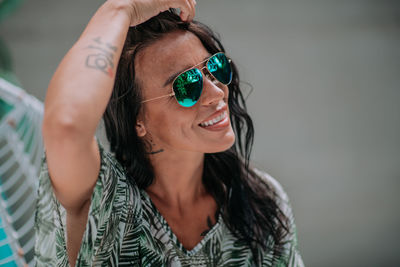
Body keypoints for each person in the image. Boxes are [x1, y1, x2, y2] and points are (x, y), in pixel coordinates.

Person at [34, 0, 304, 266]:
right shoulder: (107, 202)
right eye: (186, 86)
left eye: (214, 69)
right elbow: (66, 127)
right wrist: (118, 9)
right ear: (137, 120)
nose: (216, 93)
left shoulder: (259, 199)